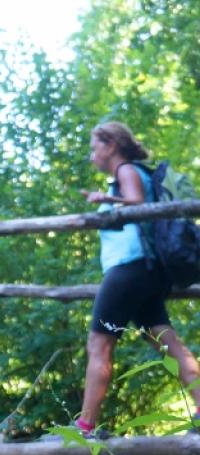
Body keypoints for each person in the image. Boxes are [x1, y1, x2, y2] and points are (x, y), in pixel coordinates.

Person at [76, 121, 200, 438]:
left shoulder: (127, 171)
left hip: (129, 269)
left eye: (95, 147)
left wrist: (106, 199)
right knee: (168, 343)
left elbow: (138, 205)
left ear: (112, 145)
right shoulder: (134, 173)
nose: (92, 155)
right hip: (147, 273)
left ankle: (84, 429)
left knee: (99, 344)